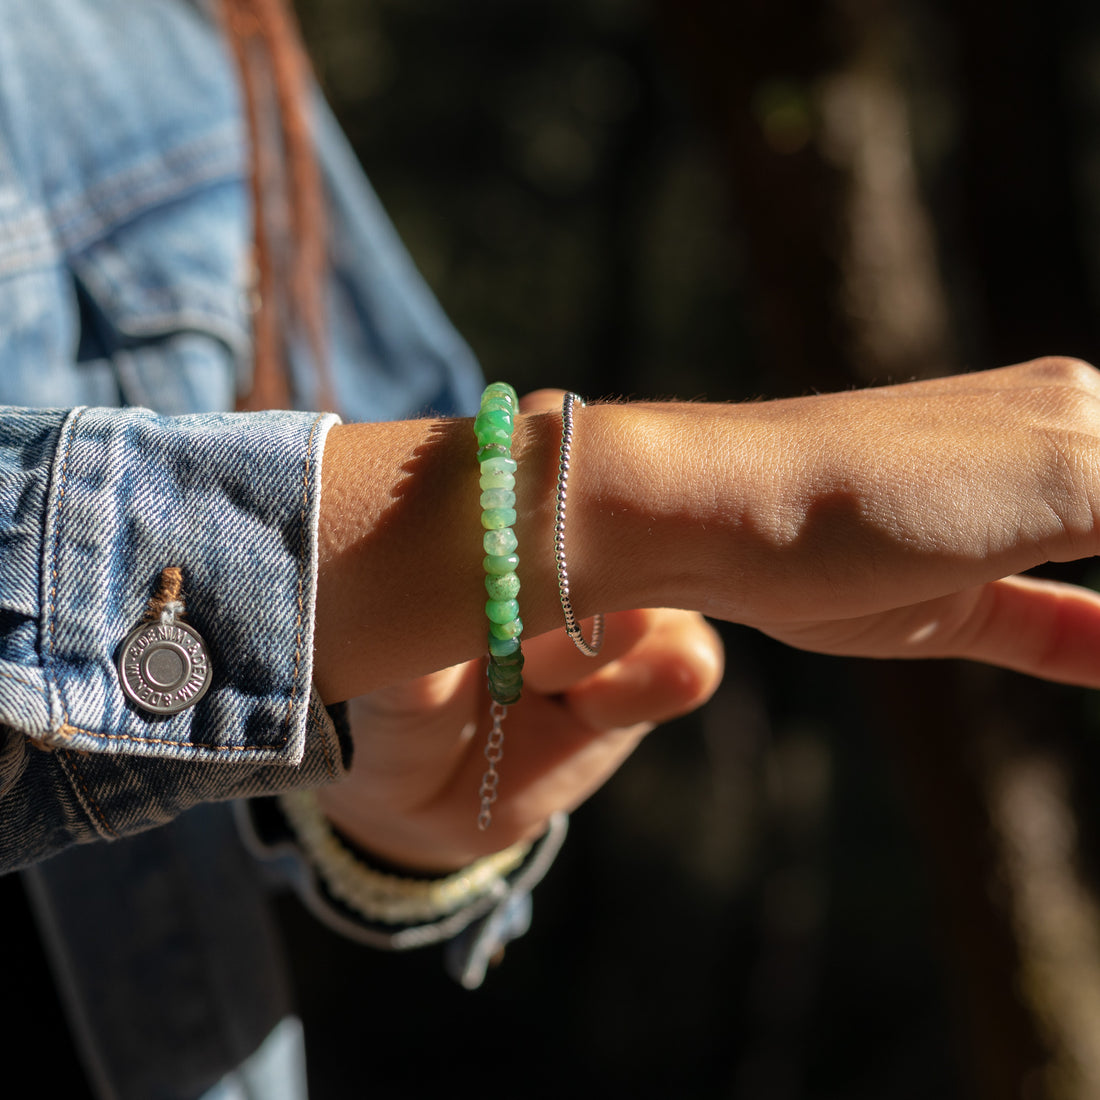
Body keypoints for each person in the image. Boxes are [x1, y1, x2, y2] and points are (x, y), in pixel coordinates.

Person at [5, 0, 1100, 1096]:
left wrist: (380, 810)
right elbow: (424, 516)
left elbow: (376, 541)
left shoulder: (156, 34)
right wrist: (664, 490)